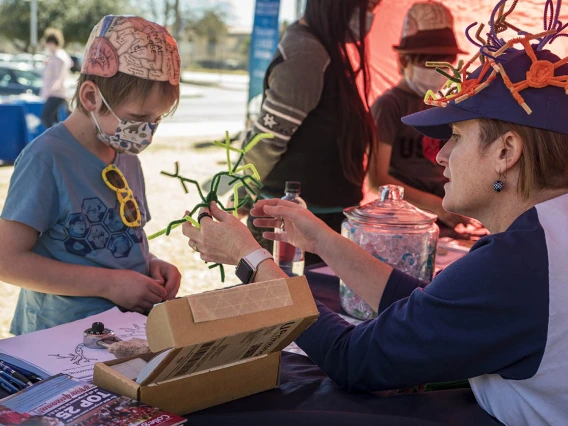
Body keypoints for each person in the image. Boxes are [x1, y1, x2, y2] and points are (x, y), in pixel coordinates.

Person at [182, 11, 568, 425]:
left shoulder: (516, 263)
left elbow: (354, 360)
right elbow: (430, 308)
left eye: (456, 137)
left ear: (506, 152)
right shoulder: (542, 239)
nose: (440, 155)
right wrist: (324, 241)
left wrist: (252, 259)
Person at [0, 15, 182, 334]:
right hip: (58, 339)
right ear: (90, 97)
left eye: (157, 118)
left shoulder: (123, 153)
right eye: (139, 118)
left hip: (121, 332)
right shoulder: (46, 158)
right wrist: (110, 283)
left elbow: (115, 242)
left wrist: (149, 266)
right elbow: (7, 260)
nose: (148, 131)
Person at [239, 0, 380, 265]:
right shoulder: (306, 52)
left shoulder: (322, 46)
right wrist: (242, 190)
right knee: (286, 301)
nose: (369, 16)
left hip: (316, 218)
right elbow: (267, 140)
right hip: (295, 222)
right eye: (366, 6)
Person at [368, 2, 470, 230]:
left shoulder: (446, 104)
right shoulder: (389, 106)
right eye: (429, 60)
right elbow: (377, 179)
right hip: (403, 219)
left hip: (446, 214)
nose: (439, 69)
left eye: (447, 61)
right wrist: (435, 206)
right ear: (404, 61)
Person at [40, 28, 73, 129]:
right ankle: (57, 139)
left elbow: (58, 77)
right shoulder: (56, 56)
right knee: (54, 120)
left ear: (51, 42)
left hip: (56, 93)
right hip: (57, 92)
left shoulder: (58, 57)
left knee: (46, 117)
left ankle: (55, 139)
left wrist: (48, 91)